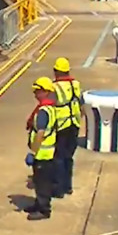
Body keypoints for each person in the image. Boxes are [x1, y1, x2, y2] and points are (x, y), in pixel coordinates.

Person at [25, 77, 60, 220]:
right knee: (40, 181)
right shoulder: (50, 108)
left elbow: (40, 133)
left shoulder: (43, 112)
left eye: (37, 91)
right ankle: (39, 204)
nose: (35, 93)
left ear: (45, 92)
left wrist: (33, 152)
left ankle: (44, 210)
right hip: (47, 153)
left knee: (42, 183)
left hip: (43, 154)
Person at [51, 57, 84, 196]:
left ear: (56, 71)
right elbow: (81, 104)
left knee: (58, 157)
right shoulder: (76, 84)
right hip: (74, 124)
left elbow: (50, 105)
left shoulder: (54, 87)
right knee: (69, 156)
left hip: (61, 125)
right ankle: (68, 186)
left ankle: (58, 189)